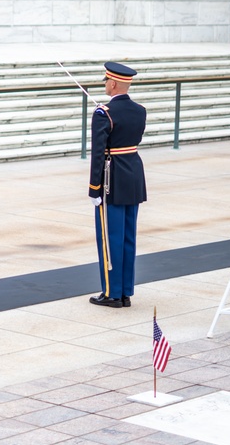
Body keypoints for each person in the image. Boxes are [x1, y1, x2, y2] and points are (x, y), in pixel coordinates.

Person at [88, 62, 146, 308]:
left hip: (111, 180)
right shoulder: (140, 110)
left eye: (105, 81)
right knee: (127, 238)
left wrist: (94, 188)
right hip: (133, 176)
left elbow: (98, 154)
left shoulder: (103, 113)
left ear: (112, 83)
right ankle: (125, 292)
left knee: (110, 239)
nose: (105, 85)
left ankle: (112, 293)